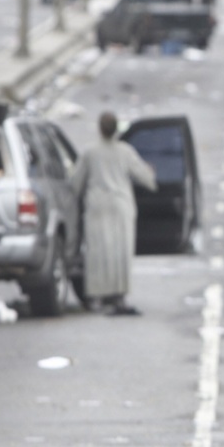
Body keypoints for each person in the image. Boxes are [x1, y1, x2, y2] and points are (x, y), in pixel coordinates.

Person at [68, 111, 158, 316]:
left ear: (100, 128)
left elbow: (75, 183)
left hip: (97, 206)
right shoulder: (126, 151)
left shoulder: (89, 152)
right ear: (117, 129)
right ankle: (119, 295)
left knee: (97, 253)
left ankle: (96, 296)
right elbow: (147, 179)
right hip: (121, 206)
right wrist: (151, 171)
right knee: (120, 253)